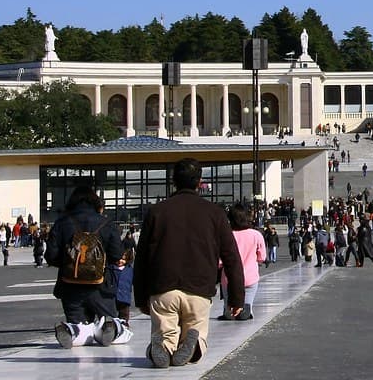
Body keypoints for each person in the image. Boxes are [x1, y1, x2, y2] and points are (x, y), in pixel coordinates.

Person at [134, 158, 245, 369]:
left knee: (164, 332)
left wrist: (141, 297)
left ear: (173, 181)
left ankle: (163, 347)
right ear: (199, 182)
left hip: (163, 288)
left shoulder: (157, 211)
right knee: (197, 331)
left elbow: (141, 259)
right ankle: (193, 346)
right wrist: (237, 298)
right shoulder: (215, 213)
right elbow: (231, 257)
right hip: (199, 288)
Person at [45, 186, 126, 348]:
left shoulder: (61, 223)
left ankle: (73, 330)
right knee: (116, 327)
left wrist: (72, 264)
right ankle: (110, 327)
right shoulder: (105, 223)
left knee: (80, 328)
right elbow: (117, 254)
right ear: (96, 202)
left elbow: (51, 256)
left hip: (69, 285)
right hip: (100, 285)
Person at [219, 204, 265, 321]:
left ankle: (228, 309)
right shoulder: (256, 235)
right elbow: (262, 257)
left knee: (228, 301)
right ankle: (246, 308)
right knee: (247, 300)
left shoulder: (226, 236)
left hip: (229, 277)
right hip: (250, 276)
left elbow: (219, 261)